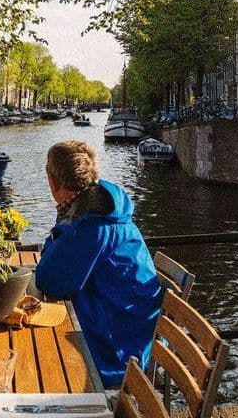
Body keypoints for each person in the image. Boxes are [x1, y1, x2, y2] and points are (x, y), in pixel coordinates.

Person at [35, 141, 163, 388]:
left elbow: (50, 280)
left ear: (53, 181)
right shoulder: (99, 210)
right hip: (128, 329)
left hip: (118, 352)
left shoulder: (93, 225)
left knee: (40, 364)